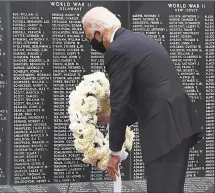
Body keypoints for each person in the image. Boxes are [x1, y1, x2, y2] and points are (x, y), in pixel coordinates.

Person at [81, 6, 204, 193]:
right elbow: (148, 94)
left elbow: (120, 102)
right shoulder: (139, 41)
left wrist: (114, 153)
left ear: (98, 33)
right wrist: (110, 116)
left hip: (165, 132)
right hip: (176, 126)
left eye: (89, 38)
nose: (91, 42)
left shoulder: (117, 50)